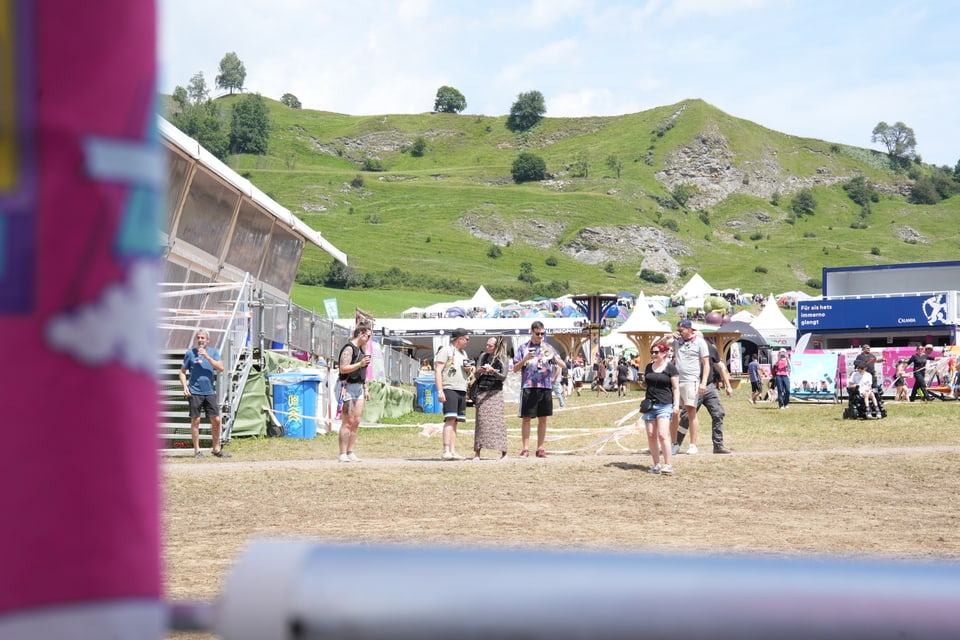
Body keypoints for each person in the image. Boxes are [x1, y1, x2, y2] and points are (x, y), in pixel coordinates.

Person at [513, 321, 566, 458]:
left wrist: (551, 356)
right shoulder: (523, 348)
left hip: (545, 386)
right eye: (537, 334)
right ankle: (525, 448)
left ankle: (540, 448)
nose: (540, 336)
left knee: (543, 418)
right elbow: (515, 369)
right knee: (527, 418)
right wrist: (525, 359)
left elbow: (563, 365)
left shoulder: (548, 347)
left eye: (542, 334)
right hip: (529, 386)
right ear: (531, 332)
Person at [675, 339, 733, 454]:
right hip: (693, 385)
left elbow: (721, 367)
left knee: (718, 413)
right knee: (686, 417)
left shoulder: (711, 349)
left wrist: (728, 385)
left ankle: (718, 445)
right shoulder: (686, 349)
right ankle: (676, 444)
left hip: (709, 387)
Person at [179, 329, 230, 458]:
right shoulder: (190, 353)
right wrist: (185, 386)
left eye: (203, 338)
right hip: (195, 391)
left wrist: (207, 356)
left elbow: (221, 368)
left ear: (208, 340)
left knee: (216, 420)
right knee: (196, 420)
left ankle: (216, 449)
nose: (200, 340)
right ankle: (197, 450)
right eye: (198, 338)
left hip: (209, 391)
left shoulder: (213, 352)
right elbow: (182, 372)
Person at [668, 318, 710, 455]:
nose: (680, 332)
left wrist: (703, 382)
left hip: (691, 380)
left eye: (682, 330)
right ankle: (674, 443)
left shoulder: (699, 342)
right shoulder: (676, 341)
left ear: (690, 329)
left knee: (691, 411)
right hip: (676, 380)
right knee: (674, 412)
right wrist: (667, 337)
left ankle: (693, 444)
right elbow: (658, 347)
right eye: (678, 330)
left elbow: (706, 364)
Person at [640, 342, 679, 475]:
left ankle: (668, 464)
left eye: (656, 352)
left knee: (662, 435)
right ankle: (656, 464)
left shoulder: (671, 368)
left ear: (664, 353)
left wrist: (676, 405)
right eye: (652, 352)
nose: (653, 354)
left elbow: (675, 388)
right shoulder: (649, 367)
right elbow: (646, 384)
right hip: (650, 404)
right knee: (651, 435)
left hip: (664, 404)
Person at [435, 328, 474, 460]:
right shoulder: (445, 350)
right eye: (467, 339)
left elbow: (467, 373)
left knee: (456, 421)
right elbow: (438, 371)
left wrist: (469, 370)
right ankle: (446, 450)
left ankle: (452, 450)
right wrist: (440, 391)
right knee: (449, 419)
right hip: (449, 388)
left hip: (461, 389)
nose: (468, 342)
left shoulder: (463, 353)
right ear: (460, 339)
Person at [336, 323, 373, 462]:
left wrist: (365, 387)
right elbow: (343, 368)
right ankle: (342, 453)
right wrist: (359, 364)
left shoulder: (362, 349)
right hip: (348, 387)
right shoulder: (349, 349)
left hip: (359, 387)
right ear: (361, 334)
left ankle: (350, 451)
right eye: (368, 336)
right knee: (347, 421)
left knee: (356, 421)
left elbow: (363, 372)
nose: (369, 339)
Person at [473, 336, 509, 460]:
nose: (487, 347)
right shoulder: (483, 356)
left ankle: (504, 452)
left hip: (495, 392)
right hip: (482, 391)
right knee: (481, 423)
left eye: (490, 346)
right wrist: (480, 371)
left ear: (496, 347)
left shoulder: (503, 358)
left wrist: (493, 371)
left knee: (498, 423)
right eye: (487, 345)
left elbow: (503, 377)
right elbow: (476, 375)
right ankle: (477, 452)